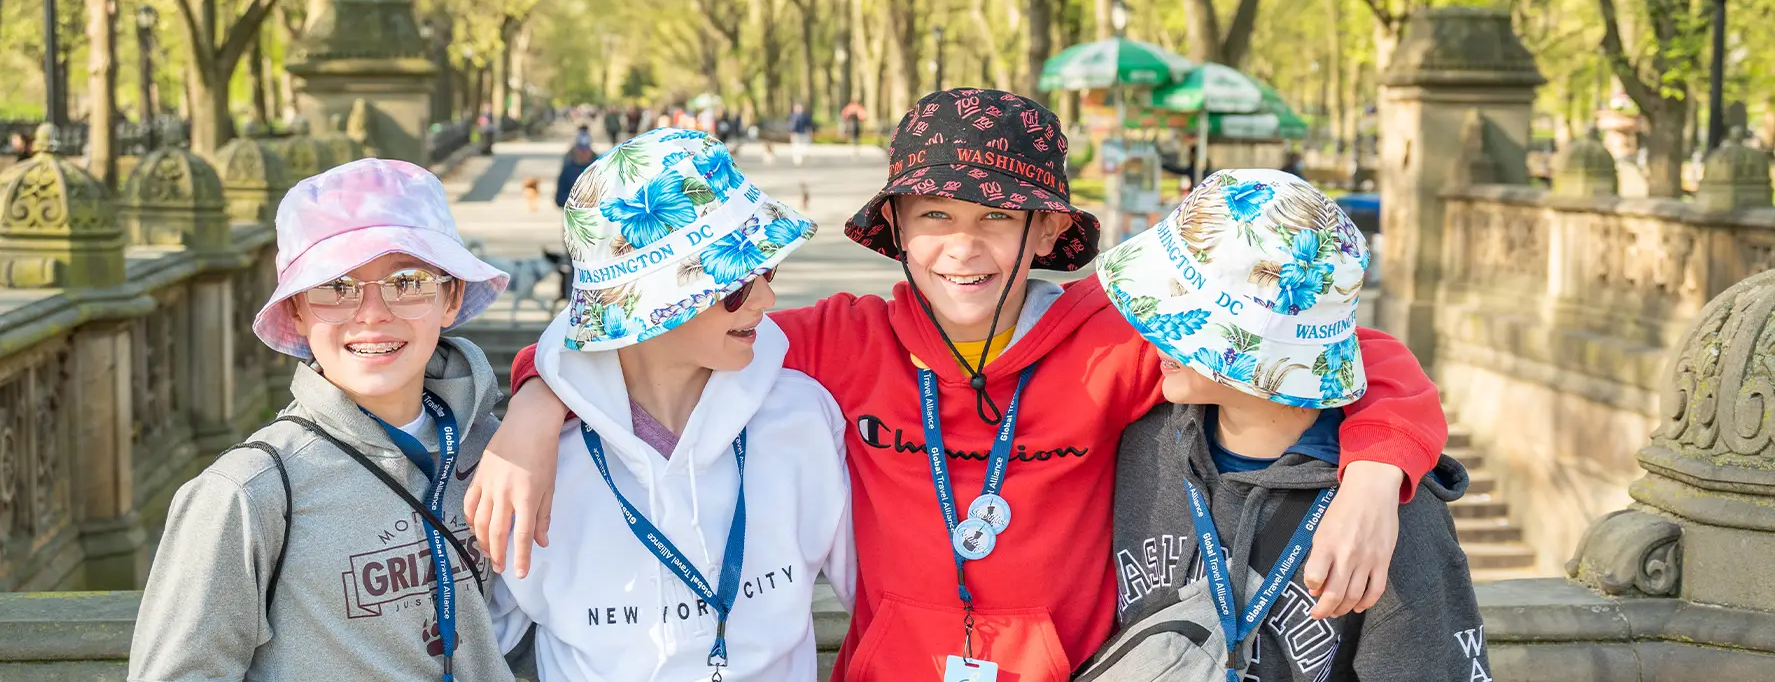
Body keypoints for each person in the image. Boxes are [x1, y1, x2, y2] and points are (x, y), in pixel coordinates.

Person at [472, 90, 1447, 682]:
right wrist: (530, 405)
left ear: (1044, 234)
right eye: (934, 214)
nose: (963, 248)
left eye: (997, 217)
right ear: (892, 225)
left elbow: (1341, 353)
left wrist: (1369, 477)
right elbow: (647, 334)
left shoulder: (1118, 341)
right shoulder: (830, 341)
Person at [1086, 169, 1490, 681]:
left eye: (1181, 317)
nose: (1151, 332)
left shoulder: (1391, 517)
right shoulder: (1146, 440)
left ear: (1258, 347)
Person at [486, 128, 853, 681]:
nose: (768, 300)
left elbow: (882, 597)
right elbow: (471, 642)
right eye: (735, 286)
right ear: (657, 307)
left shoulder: (804, 417)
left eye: (767, 271)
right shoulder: (533, 464)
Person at [128, 159, 515, 681]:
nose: (373, 312)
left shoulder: (499, 453)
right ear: (296, 313)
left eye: (408, 281)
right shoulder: (247, 493)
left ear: (451, 297)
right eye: (336, 286)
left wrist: (539, 402)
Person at [555, 131, 597, 210]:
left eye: (586, 149)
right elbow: (559, 199)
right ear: (575, 149)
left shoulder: (598, 170)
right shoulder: (567, 171)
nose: (584, 153)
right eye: (581, 149)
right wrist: (576, 199)